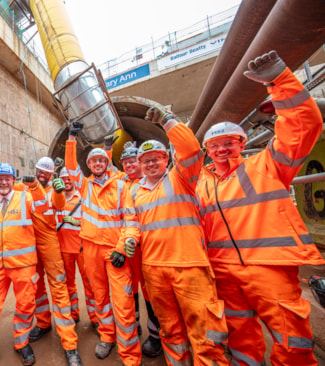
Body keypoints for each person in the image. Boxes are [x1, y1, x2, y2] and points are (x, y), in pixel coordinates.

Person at [197, 50, 325, 365]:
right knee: (240, 338)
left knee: (291, 340)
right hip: (224, 271)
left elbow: (304, 126)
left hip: (270, 266)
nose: (222, 149)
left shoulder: (266, 165)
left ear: (243, 143)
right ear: (208, 151)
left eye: (229, 142)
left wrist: (278, 80)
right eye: (215, 145)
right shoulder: (203, 184)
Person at [123, 106, 229, 366]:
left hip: (190, 266)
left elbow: (192, 150)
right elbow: (132, 221)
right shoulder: (136, 190)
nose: (150, 163)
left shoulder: (181, 177)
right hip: (155, 271)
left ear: (166, 159)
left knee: (206, 332)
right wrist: (130, 237)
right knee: (170, 330)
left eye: (156, 158)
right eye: (145, 159)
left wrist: (169, 122)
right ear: (139, 163)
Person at [65, 122, 141, 366]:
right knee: (101, 298)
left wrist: (121, 248)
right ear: (89, 166)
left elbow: (131, 220)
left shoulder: (120, 185)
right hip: (90, 250)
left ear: (107, 163)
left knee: (123, 300)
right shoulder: (84, 185)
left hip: (114, 251)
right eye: (93, 162)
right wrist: (71, 137)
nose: (97, 164)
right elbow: (69, 166)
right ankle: (107, 337)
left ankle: (130, 354)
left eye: (101, 161)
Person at [0, 163, 49, 366]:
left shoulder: (26, 198)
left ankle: (22, 343)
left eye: (8, 178)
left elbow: (44, 206)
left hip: (24, 265)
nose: (4, 182)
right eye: (0, 178)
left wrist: (35, 187)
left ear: (13, 181)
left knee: (25, 305)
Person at [27, 157, 82, 366]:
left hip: (50, 242)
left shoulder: (54, 191)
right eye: (39, 171)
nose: (41, 175)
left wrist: (59, 191)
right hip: (30, 243)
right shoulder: (26, 188)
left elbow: (59, 205)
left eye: (46, 173)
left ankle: (70, 345)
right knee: (37, 288)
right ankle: (43, 323)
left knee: (59, 289)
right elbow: (7, 185)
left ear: (52, 175)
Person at [116, 142, 163, 358]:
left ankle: (157, 335)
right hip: (129, 246)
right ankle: (136, 326)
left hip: (152, 248)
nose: (129, 165)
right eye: (125, 162)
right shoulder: (121, 183)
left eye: (133, 160)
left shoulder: (154, 182)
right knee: (130, 290)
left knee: (151, 292)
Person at [55, 167, 97, 327]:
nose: (67, 181)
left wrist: (77, 222)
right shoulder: (56, 198)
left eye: (69, 178)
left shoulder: (83, 197)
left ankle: (94, 317)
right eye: (63, 179)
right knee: (68, 284)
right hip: (64, 249)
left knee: (89, 283)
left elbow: (93, 219)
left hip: (81, 248)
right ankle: (73, 314)